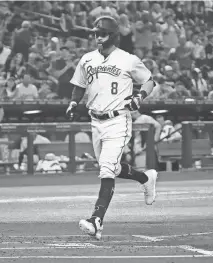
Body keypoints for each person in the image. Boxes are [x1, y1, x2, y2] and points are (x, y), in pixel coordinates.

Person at [66, 16, 158, 240]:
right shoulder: (87, 59)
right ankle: (146, 179)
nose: (98, 37)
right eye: (96, 33)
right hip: (95, 121)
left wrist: (140, 96)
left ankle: (96, 220)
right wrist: (73, 102)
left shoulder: (128, 59)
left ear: (113, 35)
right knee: (112, 168)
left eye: (102, 33)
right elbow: (79, 85)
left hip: (119, 120)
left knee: (107, 168)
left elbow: (149, 81)